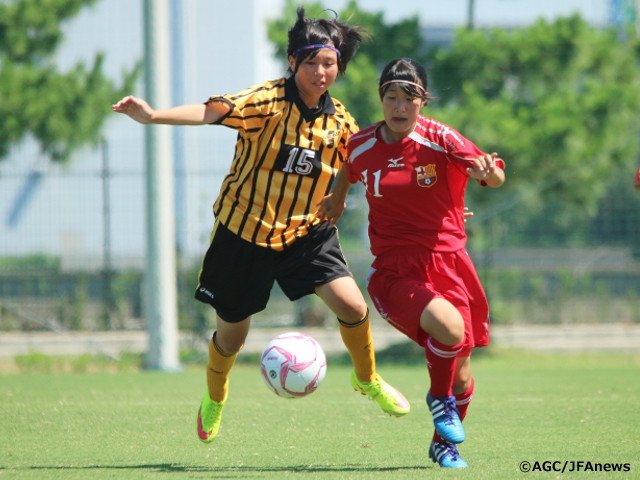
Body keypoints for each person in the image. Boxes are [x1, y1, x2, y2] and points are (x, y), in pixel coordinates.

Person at [112, 8, 409, 444]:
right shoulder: (266, 101)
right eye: (311, 63)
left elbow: (371, 167)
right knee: (232, 337)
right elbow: (211, 111)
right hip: (243, 234)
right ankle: (215, 396)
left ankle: (367, 379)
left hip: (306, 233)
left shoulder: (342, 123)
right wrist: (153, 116)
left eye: (329, 64)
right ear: (292, 62)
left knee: (351, 305)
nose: (320, 72)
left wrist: (428, 207)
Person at [318, 57, 506, 468]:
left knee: (461, 373)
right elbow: (349, 171)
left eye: (410, 98)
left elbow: (493, 177)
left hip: (452, 264)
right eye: (391, 97)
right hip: (396, 271)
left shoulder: (441, 139)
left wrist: (486, 173)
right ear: (381, 99)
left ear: (423, 101)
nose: (399, 106)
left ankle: (443, 444)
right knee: (450, 327)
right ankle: (438, 399)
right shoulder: (362, 144)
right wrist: (334, 200)